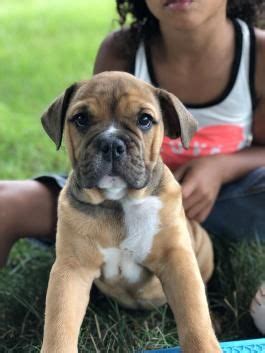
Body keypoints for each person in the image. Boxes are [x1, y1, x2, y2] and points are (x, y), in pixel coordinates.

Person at [0, 0, 264, 334]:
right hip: (99, 191)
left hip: (220, 196)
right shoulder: (122, 48)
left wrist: (221, 167)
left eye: (142, 120)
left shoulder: (259, 53)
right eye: (82, 119)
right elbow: (95, 110)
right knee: (6, 202)